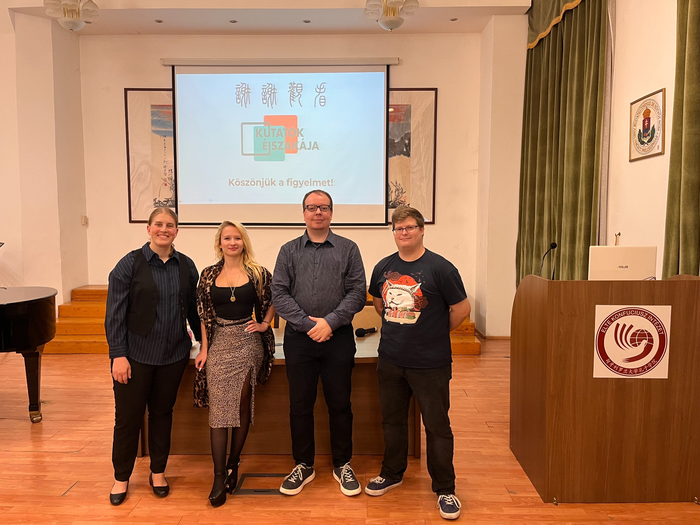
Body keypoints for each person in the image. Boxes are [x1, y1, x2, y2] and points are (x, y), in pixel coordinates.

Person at [365, 206, 471, 521]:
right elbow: (379, 304)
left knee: (437, 427)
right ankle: (392, 473)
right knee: (392, 421)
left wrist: (434, 332)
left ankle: (445, 489)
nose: (404, 233)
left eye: (410, 227)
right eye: (399, 228)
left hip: (430, 363)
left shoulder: (441, 268)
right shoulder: (383, 267)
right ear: (394, 233)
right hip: (391, 360)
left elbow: (462, 309)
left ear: (422, 230)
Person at [272, 189, 367, 497]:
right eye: (312, 207)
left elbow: (357, 292)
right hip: (299, 340)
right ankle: (303, 465)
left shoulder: (348, 249)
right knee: (300, 405)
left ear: (331, 213)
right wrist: (309, 325)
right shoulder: (288, 251)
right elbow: (279, 294)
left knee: (340, 403)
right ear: (303, 213)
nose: (318, 212)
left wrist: (330, 322)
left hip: (338, 338)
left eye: (323, 208)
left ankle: (342, 463)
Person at [105, 208, 201, 506]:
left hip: (173, 355)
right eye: (158, 224)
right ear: (148, 229)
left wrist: (205, 345)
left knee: (162, 414)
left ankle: (158, 472)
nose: (164, 229)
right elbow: (114, 315)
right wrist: (118, 355)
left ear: (176, 231)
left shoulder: (186, 265)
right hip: (135, 357)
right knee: (128, 419)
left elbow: (194, 311)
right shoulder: (129, 264)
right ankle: (121, 477)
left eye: (170, 225)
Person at [194, 220, 276, 507]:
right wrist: (204, 349)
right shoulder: (208, 274)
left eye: (237, 238)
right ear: (220, 243)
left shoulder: (258, 273)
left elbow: (276, 298)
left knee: (241, 406)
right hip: (218, 342)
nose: (232, 242)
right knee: (219, 409)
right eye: (227, 238)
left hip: (247, 341)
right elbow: (203, 314)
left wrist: (265, 323)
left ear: (244, 242)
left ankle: (233, 463)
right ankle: (219, 476)